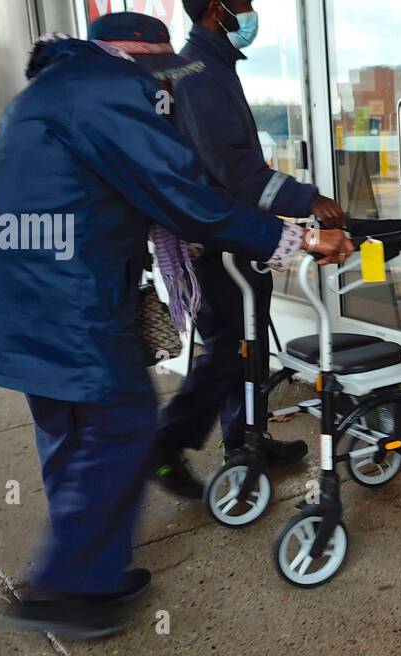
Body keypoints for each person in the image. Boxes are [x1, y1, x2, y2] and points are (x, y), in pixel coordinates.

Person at [0, 30, 353, 639]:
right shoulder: (108, 91)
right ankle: (70, 588)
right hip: (52, 280)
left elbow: (116, 190)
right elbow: (181, 192)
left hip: (3, 272)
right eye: (161, 71)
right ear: (136, 57)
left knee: (69, 423)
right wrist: (292, 239)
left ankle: (95, 572)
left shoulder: (55, 87)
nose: (165, 86)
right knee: (122, 422)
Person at [148, 0, 349, 499]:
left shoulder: (209, 64)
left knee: (246, 343)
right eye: (245, 4)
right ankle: (165, 445)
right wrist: (309, 199)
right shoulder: (199, 74)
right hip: (216, 235)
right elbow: (234, 169)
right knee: (228, 348)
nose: (252, 11)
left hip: (230, 231)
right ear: (218, 10)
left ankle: (245, 437)